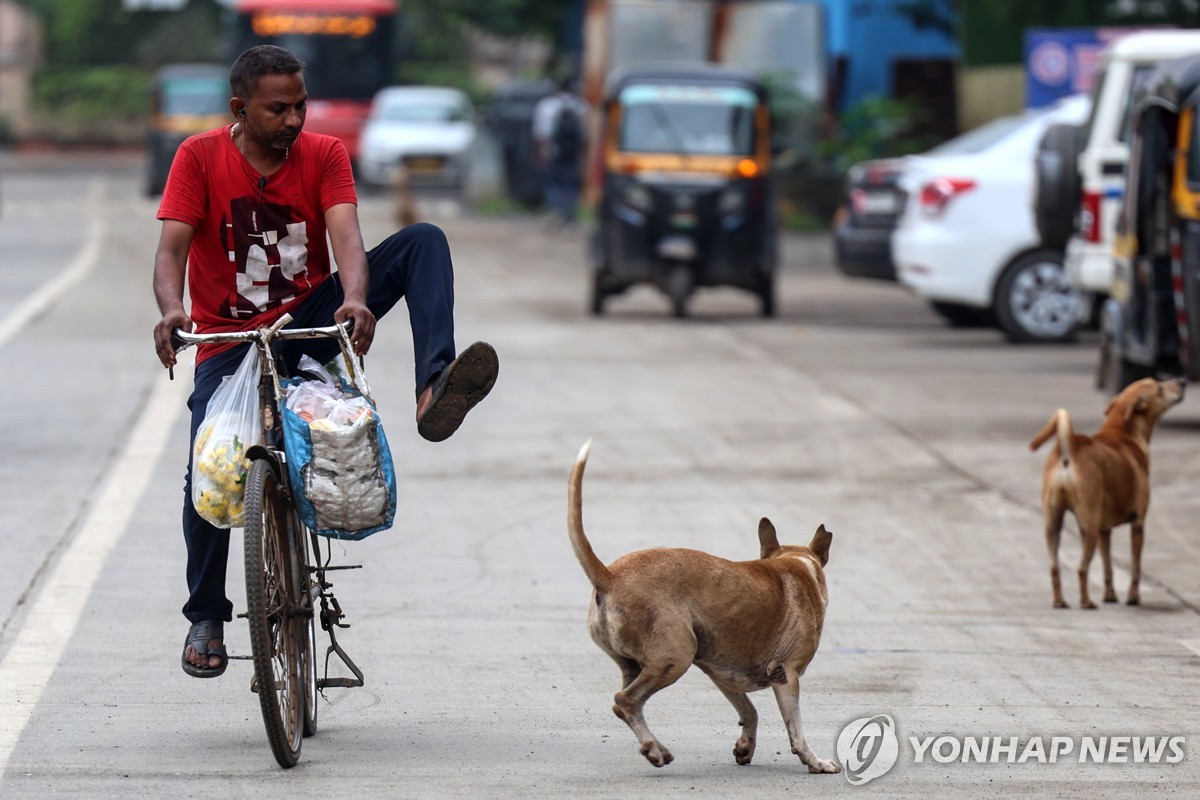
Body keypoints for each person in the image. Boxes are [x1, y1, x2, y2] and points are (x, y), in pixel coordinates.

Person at [152, 45, 499, 678]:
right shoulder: (197, 157)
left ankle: (433, 387)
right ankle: (205, 615)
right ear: (240, 108)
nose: (293, 120)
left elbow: (346, 235)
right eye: (277, 109)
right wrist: (173, 310)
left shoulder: (325, 154)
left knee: (424, 241)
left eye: (300, 106)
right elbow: (171, 250)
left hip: (310, 322)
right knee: (208, 467)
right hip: (229, 345)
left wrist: (358, 299)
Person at [532, 77, 587, 226]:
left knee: (553, 181)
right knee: (571, 181)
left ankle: (556, 211)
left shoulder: (547, 106)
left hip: (552, 150)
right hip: (573, 152)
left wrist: (539, 153)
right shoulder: (580, 105)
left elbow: (540, 132)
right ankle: (569, 213)